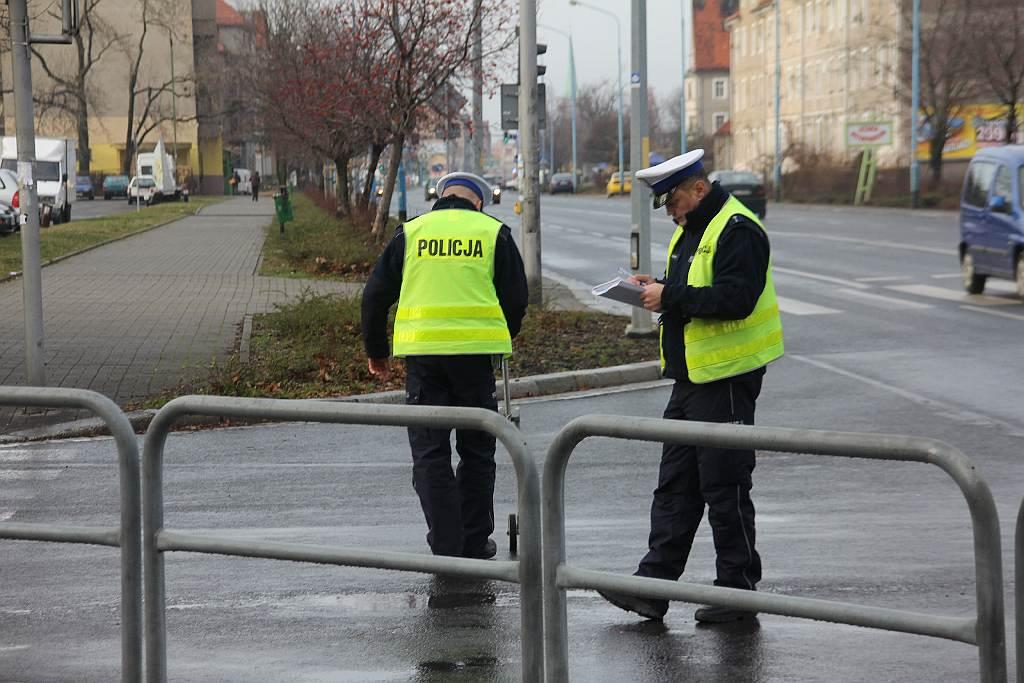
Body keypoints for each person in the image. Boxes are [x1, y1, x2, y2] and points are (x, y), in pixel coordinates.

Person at [597, 149, 784, 624]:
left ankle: (738, 593)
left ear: (698, 190)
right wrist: (655, 286)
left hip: (725, 377)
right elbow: (694, 291)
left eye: (673, 201)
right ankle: (652, 585)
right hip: (692, 379)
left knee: (725, 486)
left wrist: (671, 294)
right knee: (676, 486)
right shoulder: (696, 229)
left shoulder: (738, 229)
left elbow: (736, 298)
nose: (670, 212)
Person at [361, 171, 528, 560]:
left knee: (430, 454)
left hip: (424, 362)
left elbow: (374, 296)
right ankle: (472, 540)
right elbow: (517, 300)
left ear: (439, 198)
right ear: (479, 203)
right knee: (477, 451)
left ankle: (446, 543)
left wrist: (377, 352)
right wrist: (501, 336)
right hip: (475, 361)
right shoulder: (494, 233)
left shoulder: (412, 233)